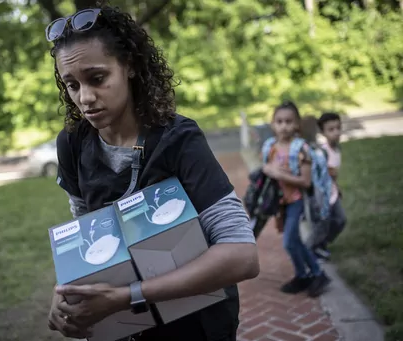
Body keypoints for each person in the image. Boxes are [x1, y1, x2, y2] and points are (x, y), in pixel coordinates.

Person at [45, 5, 259, 341]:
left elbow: (242, 255)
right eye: (72, 85)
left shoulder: (178, 140)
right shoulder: (72, 144)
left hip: (197, 327)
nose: (84, 98)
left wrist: (128, 295)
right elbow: (85, 242)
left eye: (97, 78)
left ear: (129, 66)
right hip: (126, 328)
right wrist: (65, 297)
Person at [261, 101, 330, 297]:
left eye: (289, 121)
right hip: (281, 202)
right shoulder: (270, 146)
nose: (284, 126)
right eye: (279, 121)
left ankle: (315, 273)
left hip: (297, 200)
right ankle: (305, 275)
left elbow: (306, 181)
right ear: (273, 124)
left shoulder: (301, 149)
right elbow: (266, 167)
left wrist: (279, 174)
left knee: (290, 242)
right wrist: (268, 170)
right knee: (294, 240)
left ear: (297, 124)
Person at [313, 112, 347, 260]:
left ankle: (322, 244)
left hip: (333, 193)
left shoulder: (337, 149)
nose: (336, 132)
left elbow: (334, 175)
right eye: (331, 129)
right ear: (323, 132)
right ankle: (312, 249)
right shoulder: (322, 152)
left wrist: (337, 187)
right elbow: (316, 175)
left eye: (338, 128)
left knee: (340, 220)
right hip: (323, 197)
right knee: (323, 224)